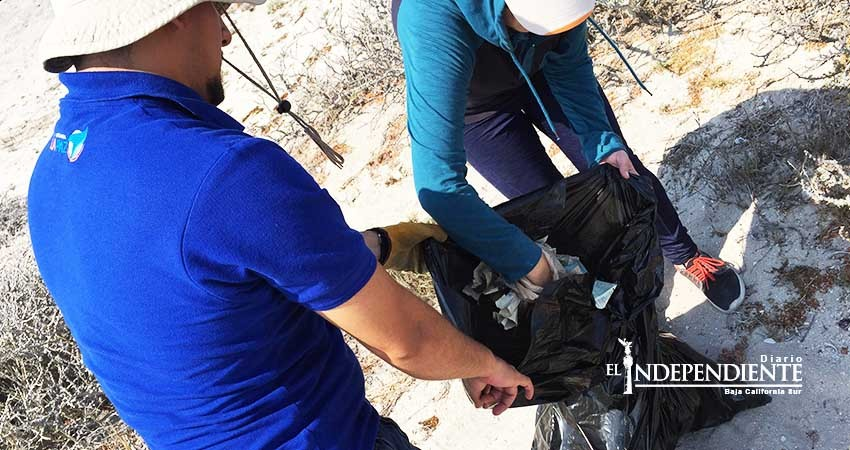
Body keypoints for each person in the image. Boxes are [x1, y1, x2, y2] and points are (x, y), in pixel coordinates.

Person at [28, 1, 534, 449]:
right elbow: (407, 342)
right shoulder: (226, 172)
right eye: (218, 11)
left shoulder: (50, 176)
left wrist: (378, 245)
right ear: (175, 16)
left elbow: (212, 279)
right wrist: (482, 363)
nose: (225, 35)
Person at [392, 0, 746, 312]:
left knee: (621, 169)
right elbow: (439, 185)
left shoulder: (556, 21)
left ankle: (686, 255)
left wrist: (603, 142)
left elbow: (571, 65)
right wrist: (521, 260)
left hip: (542, 68)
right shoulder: (430, 22)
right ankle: (608, 292)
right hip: (476, 110)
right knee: (550, 206)